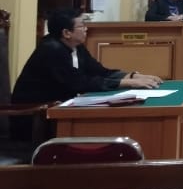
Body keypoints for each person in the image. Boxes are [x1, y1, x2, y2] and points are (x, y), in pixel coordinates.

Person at [11, 9, 162, 141]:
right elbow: (79, 83)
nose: (86, 29)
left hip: (61, 110)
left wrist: (132, 76)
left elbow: (99, 71)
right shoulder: (51, 50)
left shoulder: (77, 46)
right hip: (35, 118)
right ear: (66, 33)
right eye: (81, 26)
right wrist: (127, 83)